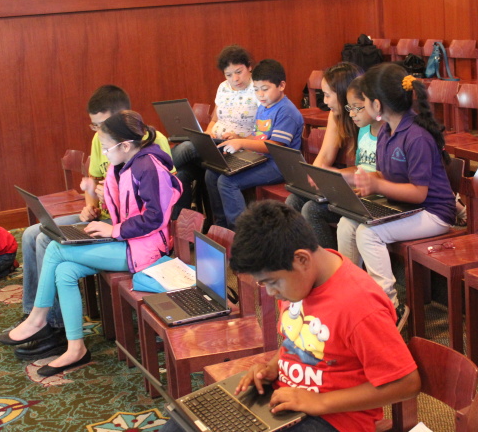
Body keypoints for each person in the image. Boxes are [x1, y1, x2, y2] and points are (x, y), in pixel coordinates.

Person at [158, 200, 420, 432]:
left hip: (335, 418)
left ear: (302, 259)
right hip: (286, 397)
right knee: (180, 424)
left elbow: (407, 384)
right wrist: (272, 367)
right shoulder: (298, 283)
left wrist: (320, 402)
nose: (272, 293)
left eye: (272, 282)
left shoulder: (360, 305)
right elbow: (296, 340)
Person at [0, 110, 182, 377]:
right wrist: (96, 199)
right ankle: (76, 349)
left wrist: (114, 229)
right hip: (125, 240)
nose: (104, 153)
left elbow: (155, 218)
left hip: (144, 249)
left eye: (107, 148)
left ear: (126, 145)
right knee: (64, 270)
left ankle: (37, 318)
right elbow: (127, 205)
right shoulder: (126, 163)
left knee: (56, 248)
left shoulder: (149, 166)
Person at [337, 63, 456, 330]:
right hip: (406, 207)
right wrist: (348, 177)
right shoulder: (386, 132)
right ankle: (352, 296)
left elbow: (418, 193)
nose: (363, 105)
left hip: (433, 213)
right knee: (348, 223)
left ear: (377, 105)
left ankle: (390, 307)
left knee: (369, 233)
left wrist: (377, 186)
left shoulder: (417, 137)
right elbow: (384, 175)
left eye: (364, 101)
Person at [286, 63, 379, 250]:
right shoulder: (339, 117)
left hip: (367, 187)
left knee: (311, 210)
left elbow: (375, 173)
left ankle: (327, 263)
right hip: (354, 180)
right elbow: (326, 155)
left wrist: (332, 176)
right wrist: (314, 179)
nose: (325, 101)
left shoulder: (376, 125)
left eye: (328, 95)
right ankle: (301, 257)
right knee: (294, 200)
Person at [205, 59, 303, 229]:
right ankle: (221, 227)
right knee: (213, 173)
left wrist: (242, 143)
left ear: (281, 85)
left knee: (227, 182)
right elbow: (259, 136)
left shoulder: (286, 110)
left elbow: (275, 146)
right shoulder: (264, 107)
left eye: (265, 89)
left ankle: (242, 232)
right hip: (261, 159)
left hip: (280, 166)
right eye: (256, 90)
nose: (260, 95)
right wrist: (237, 138)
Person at [171, 45, 261, 216]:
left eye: (239, 71)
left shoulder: (258, 90)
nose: (235, 78)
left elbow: (261, 132)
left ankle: (155, 172)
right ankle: (182, 233)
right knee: (182, 174)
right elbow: (214, 120)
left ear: (249, 67)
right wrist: (208, 134)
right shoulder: (223, 87)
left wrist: (239, 138)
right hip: (215, 143)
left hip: (236, 147)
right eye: (228, 75)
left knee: (186, 148)